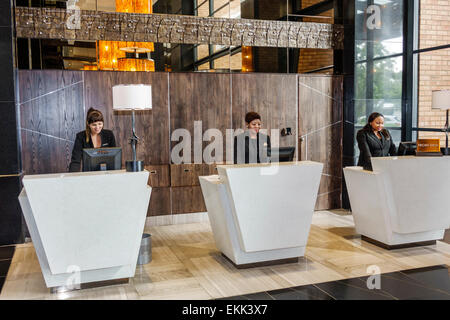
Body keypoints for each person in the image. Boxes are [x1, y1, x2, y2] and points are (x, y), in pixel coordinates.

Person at [69, 107, 116, 172]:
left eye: (100, 124)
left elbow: (115, 156)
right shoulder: (81, 137)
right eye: (94, 125)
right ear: (88, 124)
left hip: (107, 172)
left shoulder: (109, 134)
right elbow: (75, 161)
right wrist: (71, 177)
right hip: (88, 174)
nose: (97, 127)